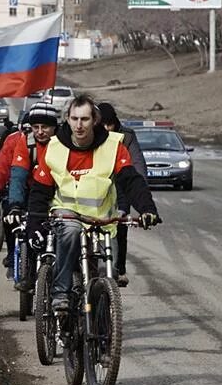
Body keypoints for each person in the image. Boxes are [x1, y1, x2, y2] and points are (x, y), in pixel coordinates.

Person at [27, 95, 161, 312]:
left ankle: (104, 321)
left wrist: (147, 208)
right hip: (67, 216)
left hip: (102, 220)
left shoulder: (113, 146)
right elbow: (40, 191)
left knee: (106, 270)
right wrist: (34, 225)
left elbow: (131, 180)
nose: (79, 125)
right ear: (68, 120)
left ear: (95, 120)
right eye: (74, 118)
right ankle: (61, 293)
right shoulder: (54, 147)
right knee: (70, 233)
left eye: (85, 119)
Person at [0, 102, 58, 277]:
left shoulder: (61, 142)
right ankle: (13, 257)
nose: (38, 132)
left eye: (44, 127)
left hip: (55, 192)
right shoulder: (17, 141)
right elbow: (7, 170)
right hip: (25, 190)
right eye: (34, 127)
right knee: (12, 219)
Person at [97, 102, 147, 287]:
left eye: (109, 125)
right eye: (102, 125)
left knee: (120, 227)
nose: (106, 129)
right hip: (93, 189)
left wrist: (141, 195)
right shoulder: (89, 135)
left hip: (119, 188)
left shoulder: (126, 137)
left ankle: (119, 269)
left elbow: (138, 167)